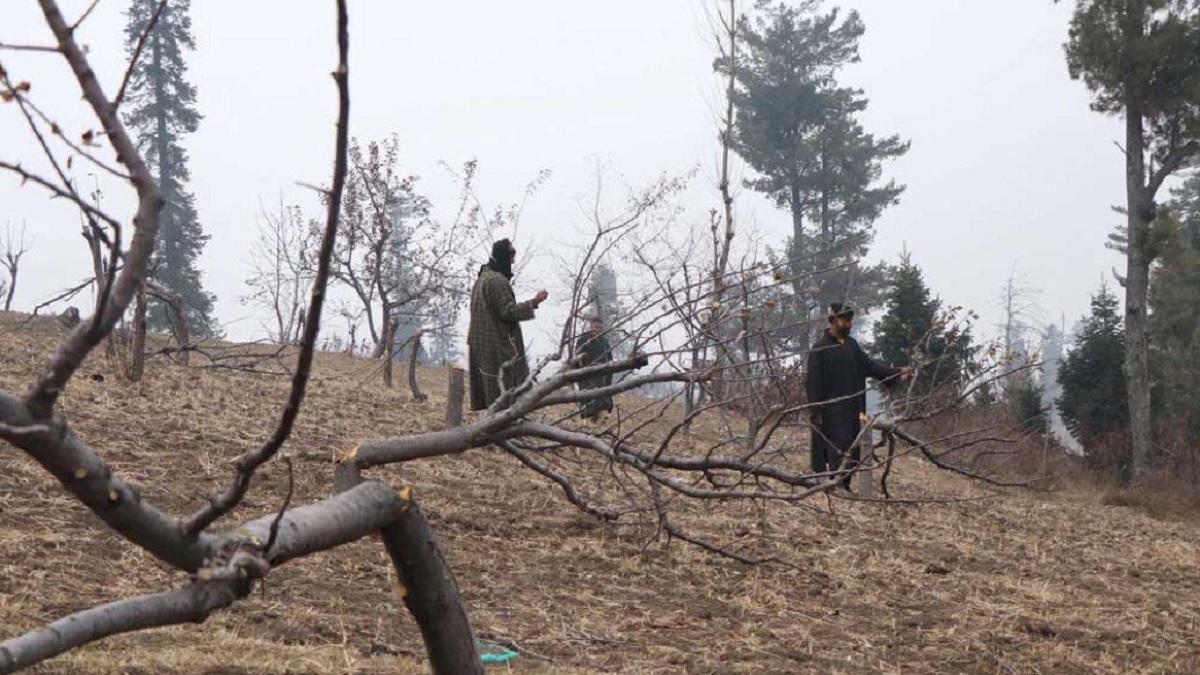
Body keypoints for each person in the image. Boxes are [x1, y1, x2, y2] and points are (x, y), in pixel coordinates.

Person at [805, 302, 910, 490]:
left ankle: (844, 485)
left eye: (850, 319)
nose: (850, 323)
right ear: (834, 320)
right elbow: (813, 384)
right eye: (846, 320)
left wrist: (896, 373)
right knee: (837, 447)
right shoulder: (819, 349)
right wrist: (816, 412)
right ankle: (835, 486)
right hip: (831, 412)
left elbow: (871, 366)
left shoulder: (851, 345)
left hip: (853, 409)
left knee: (853, 448)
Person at [467, 239, 548, 411]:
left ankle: (497, 422)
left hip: (483, 343)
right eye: (511, 254)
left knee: (494, 393)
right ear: (503, 255)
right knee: (506, 392)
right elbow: (508, 311)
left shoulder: (483, 278)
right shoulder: (496, 280)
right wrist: (534, 302)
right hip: (497, 345)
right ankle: (505, 423)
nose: (513, 260)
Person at [572, 315, 614, 420]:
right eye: (596, 327)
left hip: (603, 380)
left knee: (604, 408)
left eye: (600, 328)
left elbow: (610, 361)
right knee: (588, 408)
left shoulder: (605, 342)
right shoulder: (583, 340)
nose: (598, 330)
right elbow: (576, 361)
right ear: (591, 327)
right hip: (587, 379)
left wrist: (609, 378)